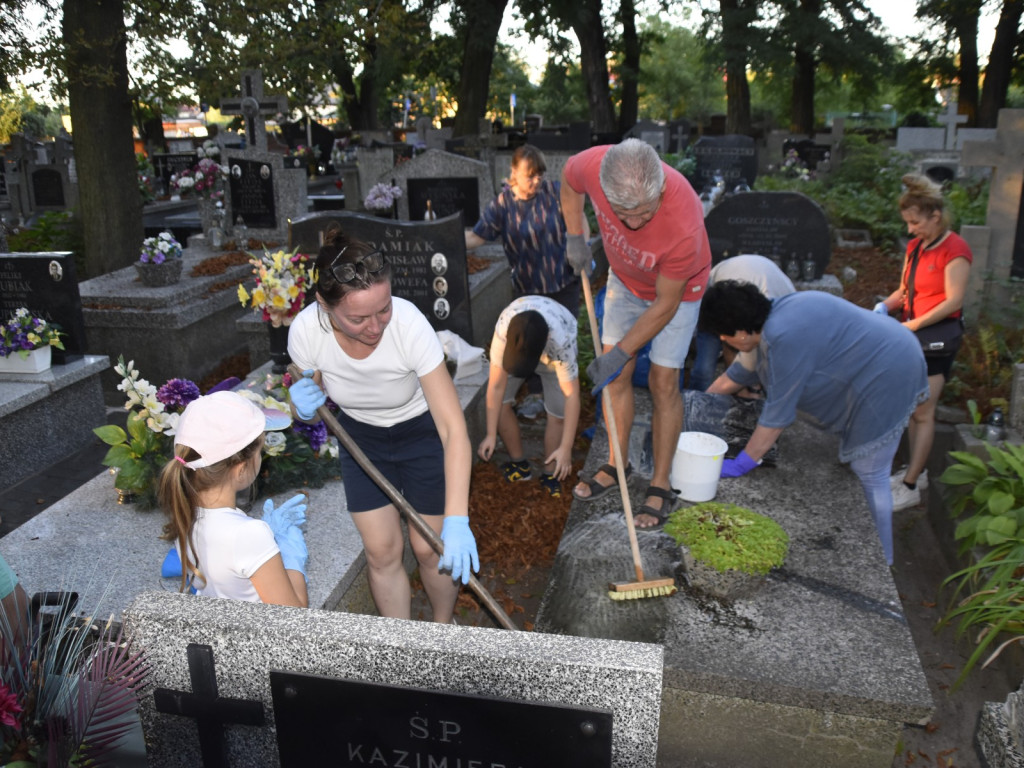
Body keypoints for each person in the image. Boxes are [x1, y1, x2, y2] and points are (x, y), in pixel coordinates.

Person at [287, 229, 479, 623]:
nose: (375, 327)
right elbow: (312, 394)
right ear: (324, 304)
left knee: (430, 548)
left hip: (421, 432)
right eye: (357, 318)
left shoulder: (409, 325)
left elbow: (452, 428)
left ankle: (443, 629)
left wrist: (458, 519)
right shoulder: (306, 332)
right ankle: (401, 644)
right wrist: (301, 407)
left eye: (383, 309)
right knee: (381, 551)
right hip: (361, 438)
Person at [701, 281, 929, 565]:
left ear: (743, 330)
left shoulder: (784, 335)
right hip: (891, 349)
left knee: (871, 470)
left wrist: (744, 462)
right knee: (864, 466)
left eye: (725, 334)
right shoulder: (774, 317)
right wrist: (702, 404)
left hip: (892, 368)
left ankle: (883, 558)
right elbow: (740, 373)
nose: (723, 340)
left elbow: (778, 413)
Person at [561, 138, 711, 530]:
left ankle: (660, 483)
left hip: (677, 293)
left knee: (663, 381)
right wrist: (574, 234)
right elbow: (568, 180)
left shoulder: (684, 226)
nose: (633, 224)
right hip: (625, 282)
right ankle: (616, 463)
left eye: (644, 212)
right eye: (623, 213)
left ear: (660, 188)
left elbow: (665, 305)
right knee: (616, 378)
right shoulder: (594, 165)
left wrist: (620, 351)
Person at [874, 173, 972, 512]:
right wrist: (885, 307)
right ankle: (911, 472)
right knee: (912, 409)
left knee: (923, 411)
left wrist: (913, 324)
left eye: (916, 222)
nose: (910, 230)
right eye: (907, 223)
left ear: (935, 216)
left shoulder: (955, 249)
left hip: (936, 339)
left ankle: (913, 483)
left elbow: (953, 301)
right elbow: (906, 290)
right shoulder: (917, 246)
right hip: (911, 334)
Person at [158, 391, 310, 607]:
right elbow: (295, 617)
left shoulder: (184, 514)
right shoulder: (249, 534)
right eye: (260, 451)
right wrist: (292, 555)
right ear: (240, 469)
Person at [477, 296, 581, 497]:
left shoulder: (561, 340)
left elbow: (572, 396)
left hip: (553, 357)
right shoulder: (504, 329)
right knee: (500, 404)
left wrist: (566, 447)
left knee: (558, 416)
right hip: (521, 340)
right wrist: (490, 434)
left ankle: (550, 473)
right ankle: (519, 465)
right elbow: (496, 387)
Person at [465, 144, 581, 317]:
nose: (537, 181)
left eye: (540, 175)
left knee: (564, 339)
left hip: (564, 284)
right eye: (530, 176)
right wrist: (447, 239)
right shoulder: (503, 204)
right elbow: (476, 236)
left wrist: (581, 245)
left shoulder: (554, 192)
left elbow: (579, 218)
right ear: (514, 172)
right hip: (528, 290)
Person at [687, 254, 796, 392]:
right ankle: (697, 401)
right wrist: (739, 387)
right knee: (704, 367)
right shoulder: (733, 307)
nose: (721, 338)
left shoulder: (773, 318)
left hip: (745, 293)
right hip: (715, 302)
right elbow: (734, 352)